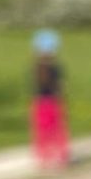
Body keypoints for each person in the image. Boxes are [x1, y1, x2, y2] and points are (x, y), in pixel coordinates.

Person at [30, 29, 70, 169]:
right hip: (54, 102)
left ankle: (44, 158)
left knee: (42, 132)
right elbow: (61, 87)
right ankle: (60, 158)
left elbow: (33, 87)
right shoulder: (56, 68)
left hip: (40, 102)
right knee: (58, 130)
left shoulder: (35, 68)